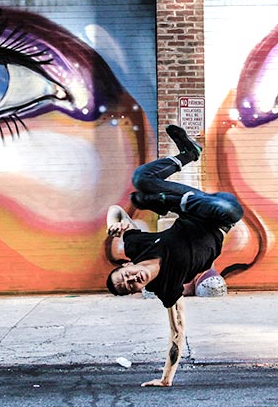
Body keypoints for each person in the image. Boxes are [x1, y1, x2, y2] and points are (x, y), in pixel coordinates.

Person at [105, 124, 244, 387]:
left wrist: (114, 224)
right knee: (147, 197)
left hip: (194, 206)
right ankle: (158, 200)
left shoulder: (137, 247)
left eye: (125, 275)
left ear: (127, 265)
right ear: (140, 288)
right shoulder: (166, 288)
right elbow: (177, 332)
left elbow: (115, 210)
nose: (133, 278)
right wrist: (166, 378)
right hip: (222, 216)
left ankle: (188, 154)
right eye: (131, 285)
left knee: (140, 180)